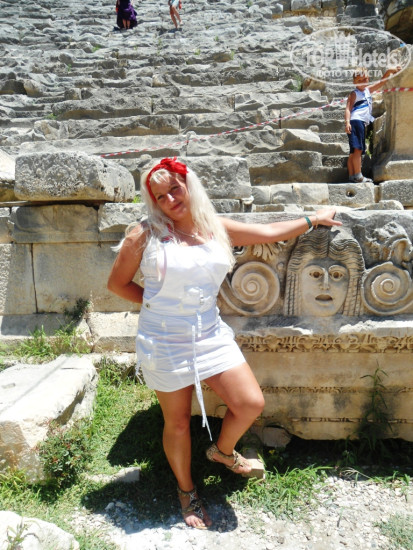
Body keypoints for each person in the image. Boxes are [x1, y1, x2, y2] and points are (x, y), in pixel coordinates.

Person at [107, 157, 342, 530]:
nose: (170, 200)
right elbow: (117, 284)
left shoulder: (215, 227)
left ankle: (221, 451)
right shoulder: (145, 234)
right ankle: (186, 490)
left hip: (209, 332)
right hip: (164, 337)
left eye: (175, 189)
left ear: (189, 185)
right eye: (160, 196)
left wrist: (314, 219)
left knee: (250, 402)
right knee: (177, 422)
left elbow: (269, 232)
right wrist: (159, 306)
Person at [345, 65, 401, 183]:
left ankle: (351, 175)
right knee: (358, 150)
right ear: (354, 82)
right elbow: (348, 108)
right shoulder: (354, 93)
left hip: (360, 122)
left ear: (368, 79)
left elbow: (381, 83)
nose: (362, 82)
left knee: (353, 152)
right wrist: (347, 122)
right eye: (359, 80)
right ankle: (358, 175)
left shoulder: (367, 91)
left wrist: (389, 72)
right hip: (356, 121)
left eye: (364, 79)